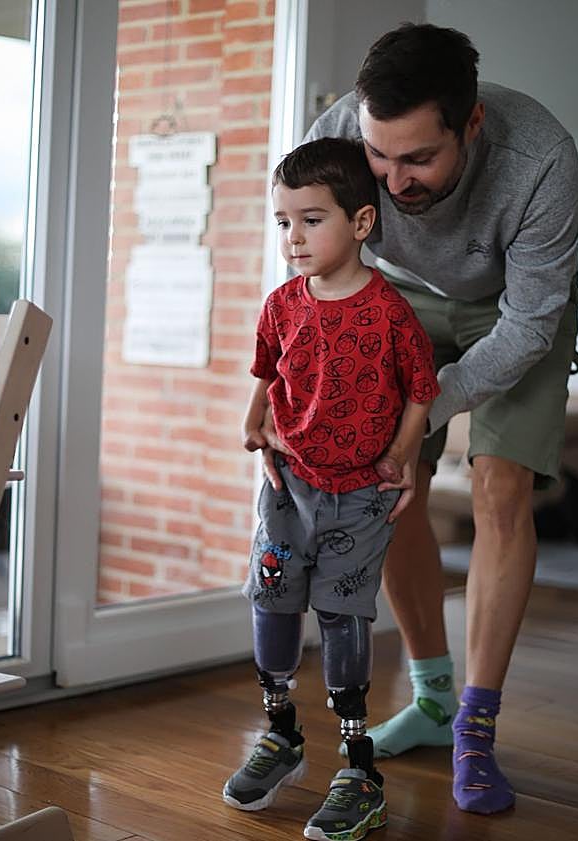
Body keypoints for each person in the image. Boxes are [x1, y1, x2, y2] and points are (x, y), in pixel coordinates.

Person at [260, 23, 578, 815]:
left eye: (418, 158)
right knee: (383, 480)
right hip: (391, 296)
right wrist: (290, 396)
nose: (392, 180)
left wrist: (418, 407)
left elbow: (527, 324)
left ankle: (475, 725)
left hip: (509, 310)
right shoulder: (337, 131)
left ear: (469, 125)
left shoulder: (539, 158)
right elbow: (309, 267)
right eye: (379, 157)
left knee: (499, 489)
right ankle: (433, 697)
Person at [222, 136, 439, 841]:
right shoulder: (281, 304)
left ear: (361, 223)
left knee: (342, 614)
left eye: (311, 219)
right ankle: (281, 730)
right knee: (271, 598)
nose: (293, 237)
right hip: (287, 484)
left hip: (359, 495)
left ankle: (358, 767)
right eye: (283, 221)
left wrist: (402, 456)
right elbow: (265, 369)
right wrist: (254, 422)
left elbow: (421, 391)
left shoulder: (389, 313)